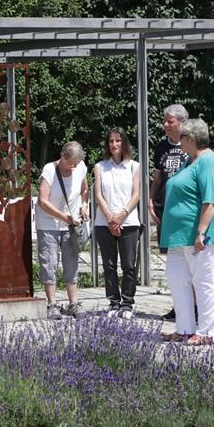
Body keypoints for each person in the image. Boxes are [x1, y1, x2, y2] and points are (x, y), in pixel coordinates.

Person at [160, 119, 214, 346]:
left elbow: (210, 201)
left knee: (204, 281)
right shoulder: (191, 160)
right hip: (179, 236)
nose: (179, 143)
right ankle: (185, 328)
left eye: (182, 139)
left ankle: (209, 332)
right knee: (177, 279)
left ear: (191, 139)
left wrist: (201, 232)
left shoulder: (208, 162)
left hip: (199, 235)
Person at [35, 141, 90, 320]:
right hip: (49, 223)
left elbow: (84, 190)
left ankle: (73, 303)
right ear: (62, 157)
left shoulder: (80, 167)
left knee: (71, 261)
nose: (73, 167)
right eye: (70, 163)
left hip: (71, 223)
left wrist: (84, 205)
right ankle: (52, 304)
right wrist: (64, 217)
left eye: (76, 164)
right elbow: (43, 201)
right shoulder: (49, 170)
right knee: (49, 262)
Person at [93, 128, 141, 319]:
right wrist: (110, 217)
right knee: (109, 265)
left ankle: (127, 303)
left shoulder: (134, 166)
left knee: (129, 265)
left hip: (128, 222)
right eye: (111, 141)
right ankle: (113, 302)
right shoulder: (100, 166)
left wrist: (121, 215)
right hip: (104, 222)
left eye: (118, 141)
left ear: (124, 143)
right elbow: (98, 194)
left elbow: (136, 194)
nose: (114, 144)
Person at [149, 104, 190, 321]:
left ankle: (194, 306)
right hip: (166, 210)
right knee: (174, 262)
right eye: (165, 121)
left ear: (181, 123)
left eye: (170, 121)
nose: (165, 125)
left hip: (187, 211)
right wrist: (150, 201)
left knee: (190, 258)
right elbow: (157, 178)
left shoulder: (191, 144)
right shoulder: (160, 147)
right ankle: (179, 305)